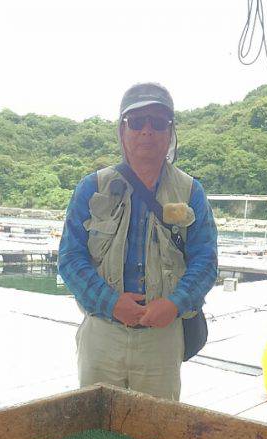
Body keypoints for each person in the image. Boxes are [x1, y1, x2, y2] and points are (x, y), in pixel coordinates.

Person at [58, 82, 218, 401]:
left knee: (157, 426)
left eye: (158, 122)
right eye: (136, 121)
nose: (147, 130)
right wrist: (110, 302)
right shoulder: (92, 187)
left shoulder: (191, 191)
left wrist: (174, 303)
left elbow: (206, 262)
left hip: (162, 336)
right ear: (122, 130)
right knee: (94, 421)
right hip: (102, 331)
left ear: (170, 132)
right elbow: (70, 258)